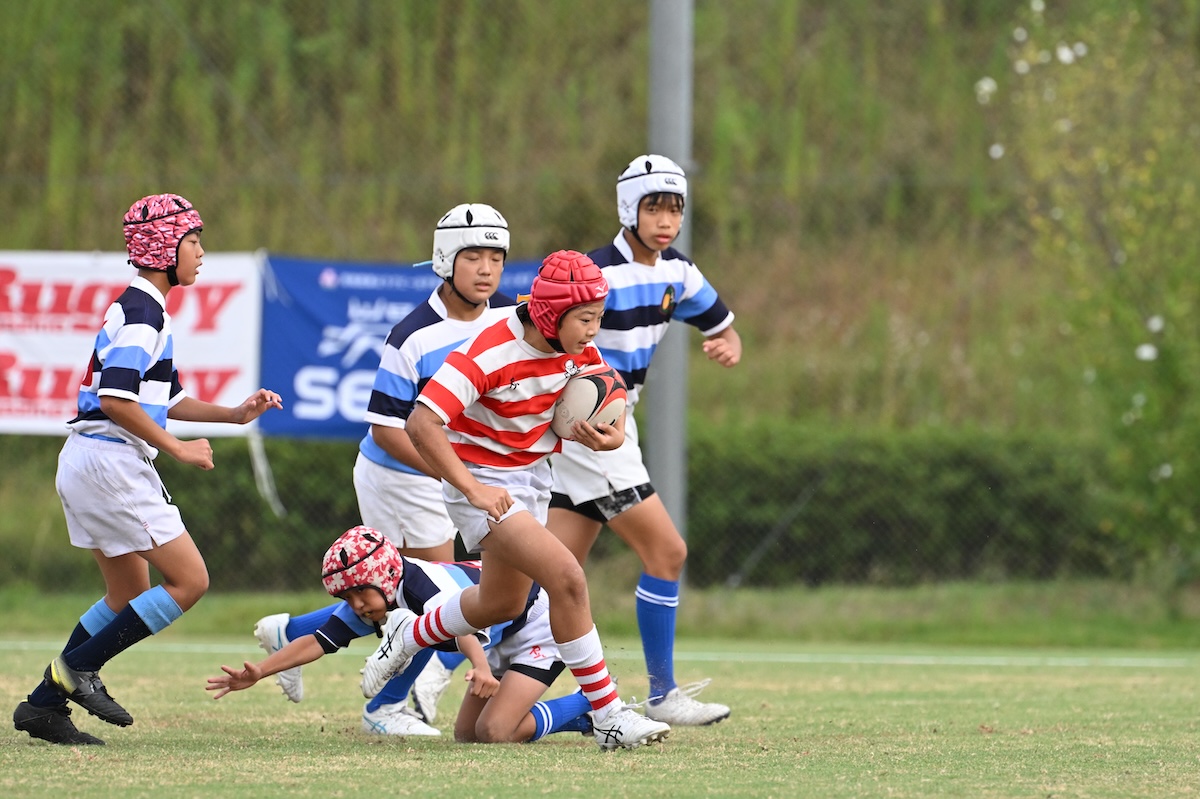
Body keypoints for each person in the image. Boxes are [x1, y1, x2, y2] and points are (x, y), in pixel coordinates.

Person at [361, 249, 671, 751]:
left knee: (498, 603)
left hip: (530, 480)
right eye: (586, 319)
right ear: (551, 314)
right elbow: (421, 422)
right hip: (485, 485)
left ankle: (411, 632)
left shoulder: (576, 346)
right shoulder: (489, 351)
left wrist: (611, 435)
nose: (595, 330)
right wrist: (473, 489)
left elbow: (603, 394)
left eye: (599, 318)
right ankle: (609, 715)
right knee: (567, 577)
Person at [12, 193, 284, 746]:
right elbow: (116, 400)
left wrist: (234, 414)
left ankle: (42, 707)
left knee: (127, 589)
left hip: (88, 459)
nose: (202, 253)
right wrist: (179, 449)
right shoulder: (141, 313)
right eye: (193, 241)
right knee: (190, 580)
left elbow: (162, 398)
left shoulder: (142, 309)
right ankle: (73, 672)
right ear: (164, 249)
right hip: (110, 460)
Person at [250, 204, 515, 733]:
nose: (487, 269)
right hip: (405, 476)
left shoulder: (510, 318)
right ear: (445, 260)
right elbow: (387, 431)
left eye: (496, 257)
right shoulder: (413, 334)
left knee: (426, 597)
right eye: (473, 257)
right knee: (434, 604)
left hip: (458, 478)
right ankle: (388, 710)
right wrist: (456, 476)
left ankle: (290, 633)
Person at [547, 155, 742, 726]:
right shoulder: (594, 273)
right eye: (653, 206)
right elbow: (541, 332)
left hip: (614, 423)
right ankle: (661, 693)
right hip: (590, 429)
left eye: (675, 207)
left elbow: (721, 323)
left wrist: (729, 343)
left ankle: (435, 662)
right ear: (628, 208)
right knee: (668, 551)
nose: (665, 218)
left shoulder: (678, 273)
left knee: (552, 574)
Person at [208, 527, 594, 744]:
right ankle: (582, 721)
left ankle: (586, 704)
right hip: (500, 631)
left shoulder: (423, 589)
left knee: (496, 731)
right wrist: (260, 671)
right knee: (466, 735)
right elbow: (316, 642)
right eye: (347, 596)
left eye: (361, 591)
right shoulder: (383, 596)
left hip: (537, 626)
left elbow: (462, 624)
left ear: (386, 574)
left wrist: (480, 666)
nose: (357, 604)